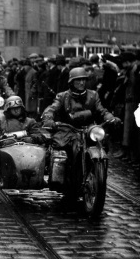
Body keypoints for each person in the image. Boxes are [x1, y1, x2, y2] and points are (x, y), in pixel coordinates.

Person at [41, 67, 121, 197]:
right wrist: (48, 118)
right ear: (71, 82)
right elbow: (52, 108)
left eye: (84, 80)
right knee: (70, 150)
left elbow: (102, 110)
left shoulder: (93, 95)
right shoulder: (63, 96)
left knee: (102, 144)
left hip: (88, 129)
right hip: (68, 129)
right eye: (78, 80)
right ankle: (69, 178)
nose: (81, 83)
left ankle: (95, 171)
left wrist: (110, 118)